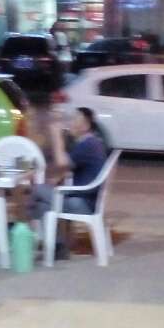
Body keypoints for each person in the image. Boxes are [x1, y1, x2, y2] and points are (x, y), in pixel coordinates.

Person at [29, 107, 108, 259]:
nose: (70, 124)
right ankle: (56, 247)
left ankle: (25, 228)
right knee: (42, 205)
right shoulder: (93, 143)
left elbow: (61, 163)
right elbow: (69, 167)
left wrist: (56, 136)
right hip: (87, 199)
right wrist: (57, 179)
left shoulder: (88, 145)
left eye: (74, 120)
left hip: (83, 203)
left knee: (37, 191)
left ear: (85, 125)